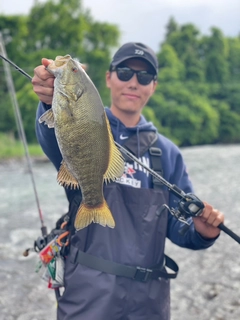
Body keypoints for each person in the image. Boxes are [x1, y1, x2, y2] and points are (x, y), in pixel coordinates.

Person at [32, 42, 224, 320]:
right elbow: (52, 136)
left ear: (153, 86)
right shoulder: (83, 118)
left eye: (144, 76)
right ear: (108, 78)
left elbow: (178, 228)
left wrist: (203, 232)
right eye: (124, 72)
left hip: (148, 304)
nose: (133, 82)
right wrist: (49, 101)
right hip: (88, 297)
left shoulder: (167, 153)